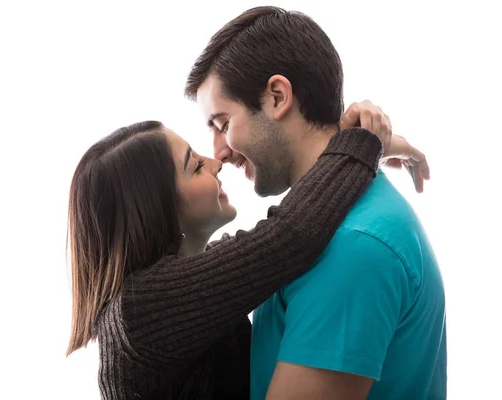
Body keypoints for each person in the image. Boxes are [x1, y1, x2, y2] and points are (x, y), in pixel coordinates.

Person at [65, 106, 425, 398]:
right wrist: (364, 144)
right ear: (159, 209)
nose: (216, 161)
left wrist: (377, 146)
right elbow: (289, 235)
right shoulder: (142, 311)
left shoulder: (185, 285)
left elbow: (289, 229)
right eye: (194, 166)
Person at [185, 6, 445, 400]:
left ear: (277, 97)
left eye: (223, 124)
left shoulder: (351, 246)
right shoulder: (327, 224)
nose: (218, 152)